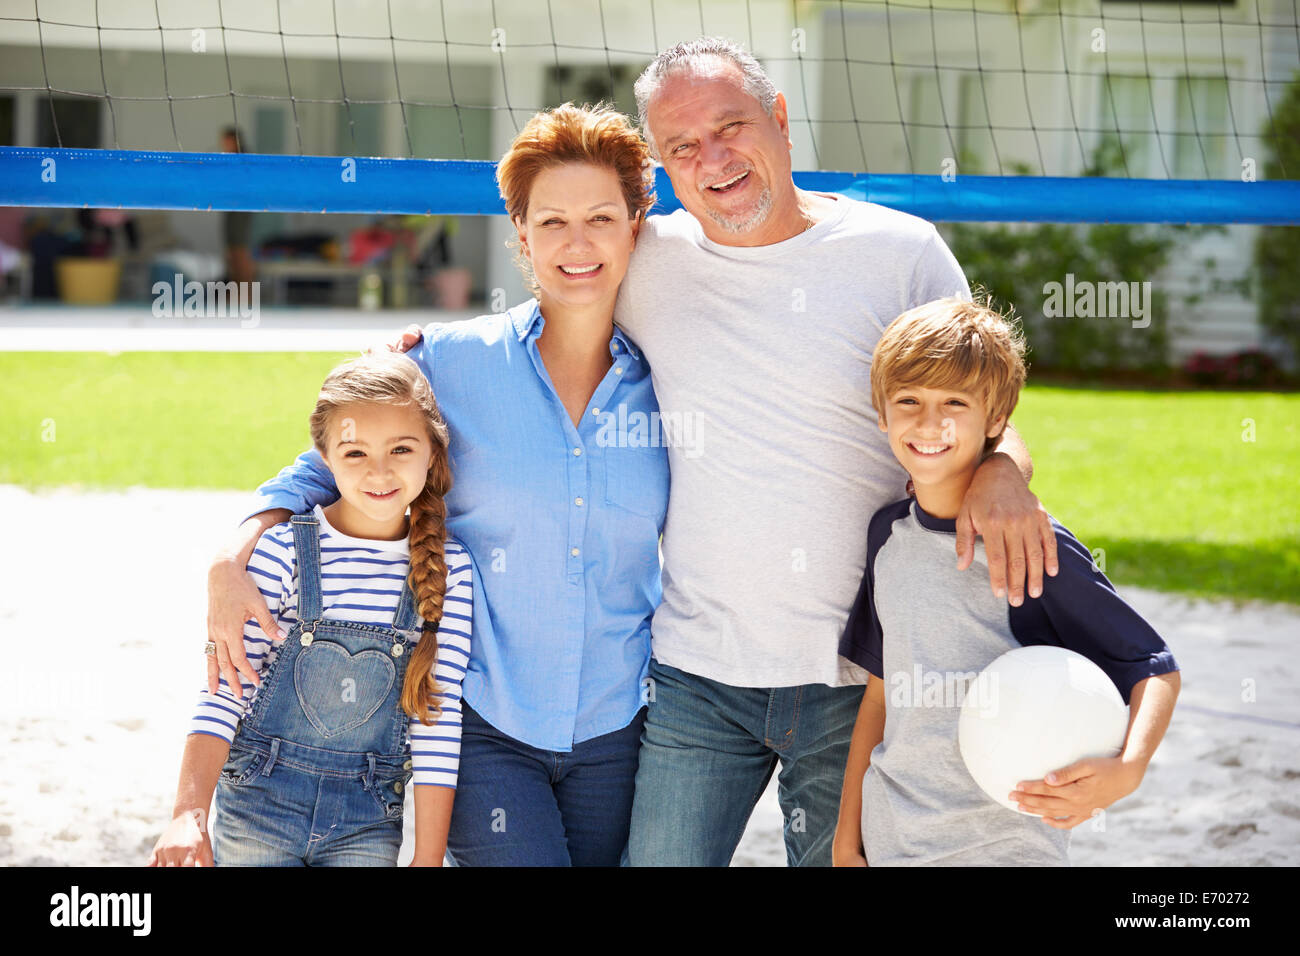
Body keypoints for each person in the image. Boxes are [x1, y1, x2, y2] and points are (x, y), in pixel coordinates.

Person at [611, 37, 1064, 867]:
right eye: (682, 147)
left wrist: (1002, 470)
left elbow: (979, 415)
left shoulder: (900, 253)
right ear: (663, 166)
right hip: (696, 674)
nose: (712, 160)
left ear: (780, 120)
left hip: (858, 678)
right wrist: (409, 356)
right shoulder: (646, 263)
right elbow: (537, 335)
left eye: (731, 126)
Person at [204, 104, 667, 865]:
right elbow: (328, 466)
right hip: (486, 726)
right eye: (550, 222)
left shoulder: (669, 381)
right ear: (519, 233)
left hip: (621, 725)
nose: (576, 244)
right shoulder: (447, 363)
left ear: (635, 228)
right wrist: (230, 555)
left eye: (601, 219)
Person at [831, 296, 1181, 865]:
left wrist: (1129, 769)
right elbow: (879, 695)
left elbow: (1153, 666)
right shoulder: (886, 536)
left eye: (954, 403)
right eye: (908, 401)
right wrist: (847, 840)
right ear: (882, 415)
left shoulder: (1030, 545)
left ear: (996, 420)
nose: (928, 422)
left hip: (1006, 846)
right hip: (892, 838)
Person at [149, 351, 471, 866]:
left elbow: (438, 714)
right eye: (355, 453)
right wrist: (188, 814)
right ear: (324, 459)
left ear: (433, 452)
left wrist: (428, 855)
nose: (380, 471)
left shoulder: (450, 569)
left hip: (367, 821)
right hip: (257, 808)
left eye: (402, 449)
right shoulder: (281, 551)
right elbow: (225, 690)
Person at [219, 126, 256, 286]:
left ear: (234, 140)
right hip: (232, 208)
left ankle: (246, 291)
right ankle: (237, 289)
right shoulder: (230, 158)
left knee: (239, 249)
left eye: (226, 141)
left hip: (241, 208)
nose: (223, 144)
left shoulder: (243, 159)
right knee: (232, 250)